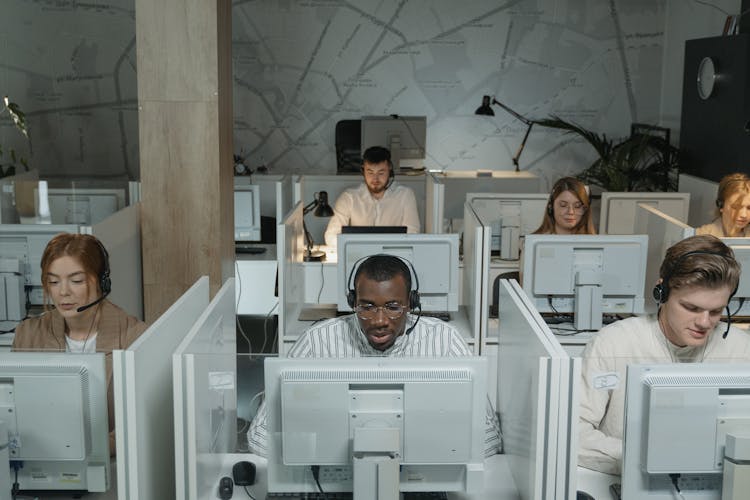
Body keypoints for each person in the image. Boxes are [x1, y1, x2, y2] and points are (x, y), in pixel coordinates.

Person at [248, 254, 501, 457]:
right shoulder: (317, 342)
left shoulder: (445, 342)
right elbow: (259, 434)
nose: (379, 321)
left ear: (411, 304)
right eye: (367, 307)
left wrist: (428, 453)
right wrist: (324, 455)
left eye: (393, 307)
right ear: (352, 301)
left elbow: (489, 435)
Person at [578, 235, 750, 475]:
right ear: (662, 292)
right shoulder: (613, 343)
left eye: (716, 311)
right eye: (691, 308)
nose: (703, 322)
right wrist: (645, 459)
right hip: (623, 480)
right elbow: (575, 432)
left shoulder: (740, 349)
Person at [12, 233, 147, 455]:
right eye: (53, 281)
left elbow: (141, 424)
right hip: (39, 466)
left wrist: (88, 448)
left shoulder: (135, 337)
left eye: (76, 280)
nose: (63, 292)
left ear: (102, 282)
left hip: (110, 468)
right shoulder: (27, 335)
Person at [324, 146, 420, 247]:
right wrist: (356, 247)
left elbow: (412, 234)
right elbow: (331, 236)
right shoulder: (349, 197)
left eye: (381, 173)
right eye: (370, 172)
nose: (375, 179)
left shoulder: (405, 195)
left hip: (393, 257)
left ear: (390, 170)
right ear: (363, 171)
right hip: (358, 256)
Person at [696, 172, 750, 237]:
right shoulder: (700, 236)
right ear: (721, 205)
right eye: (736, 207)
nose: (744, 215)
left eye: (749, 208)